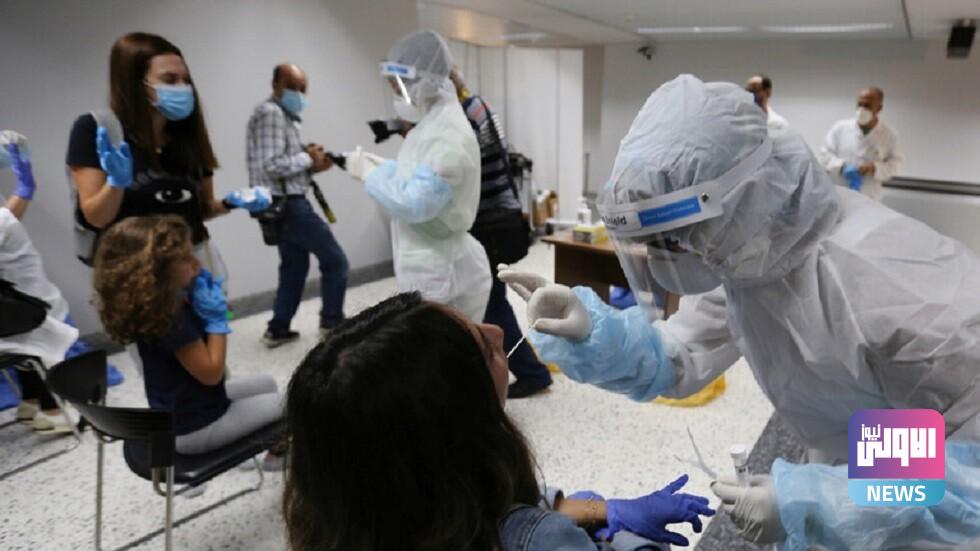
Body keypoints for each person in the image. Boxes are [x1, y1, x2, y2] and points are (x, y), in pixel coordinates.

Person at [499, 75, 980, 550]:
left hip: (934, 527)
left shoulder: (900, 288)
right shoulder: (749, 255)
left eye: (676, 237)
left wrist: (815, 501)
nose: (673, 254)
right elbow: (681, 354)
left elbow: (967, 472)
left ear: (741, 199)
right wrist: (591, 333)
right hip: (855, 468)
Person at [283, 292, 714, 550]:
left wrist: (601, 510)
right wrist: (630, 542)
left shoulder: (351, 509)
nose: (498, 331)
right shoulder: (538, 538)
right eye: (484, 348)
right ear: (457, 414)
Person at [66, 32, 268, 281]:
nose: (183, 88)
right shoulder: (98, 131)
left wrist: (231, 203)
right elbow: (96, 218)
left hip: (194, 263)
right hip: (137, 272)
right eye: (170, 80)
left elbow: (200, 210)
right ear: (135, 84)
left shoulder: (187, 136)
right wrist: (115, 184)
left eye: (186, 80)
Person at [92, 215, 283, 468]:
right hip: (198, 430)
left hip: (186, 410)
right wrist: (217, 321)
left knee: (267, 383)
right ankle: (276, 460)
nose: (196, 262)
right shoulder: (171, 319)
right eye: (185, 258)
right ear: (154, 272)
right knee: (295, 401)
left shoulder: (152, 306)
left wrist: (210, 308)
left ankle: (270, 450)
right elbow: (212, 374)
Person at [345, 31, 491, 323]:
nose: (398, 96)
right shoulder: (432, 124)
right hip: (435, 262)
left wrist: (371, 175)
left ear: (425, 80)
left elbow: (417, 204)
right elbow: (419, 176)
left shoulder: (447, 133)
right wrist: (386, 169)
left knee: (440, 348)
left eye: (399, 87)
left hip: (439, 271)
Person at [447, 67, 552, 398]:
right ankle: (515, 367)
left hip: (486, 222)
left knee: (491, 302)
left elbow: (459, 165)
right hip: (498, 217)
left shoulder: (462, 117)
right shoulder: (479, 107)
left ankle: (531, 372)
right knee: (492, 298)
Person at [246, 63, 349, 347]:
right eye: (291, 87)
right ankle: (332, 325)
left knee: (294, 267)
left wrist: (313, 165)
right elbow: (271, 165)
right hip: (289, 205)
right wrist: (308, 158)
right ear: (275, 85)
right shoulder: (271, 113)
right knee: (336, 261)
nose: (298, 94)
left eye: (303, 89)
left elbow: (281, 166)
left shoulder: (284, 116)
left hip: (281, 204)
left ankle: (277, 329)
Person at [0, 134, 78, 434]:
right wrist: (25, 188)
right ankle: (54, 410)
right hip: (23, 301)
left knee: (28, 345)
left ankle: (31, 403)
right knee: (42, 345)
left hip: (15, 300)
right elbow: (5, 222)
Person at [819, 86, 902, 201]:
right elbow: (824, 155)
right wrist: (842, 166)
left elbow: (894, 165)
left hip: (869, 195)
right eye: (859, 104)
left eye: (867, 106)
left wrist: (873, 168)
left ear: (879, 108)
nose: (861, 110)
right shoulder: (840, 128)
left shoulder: (889, 135)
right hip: (840, 193)